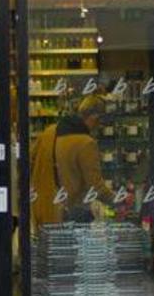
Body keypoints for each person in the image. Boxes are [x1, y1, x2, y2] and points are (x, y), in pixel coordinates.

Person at [31, 95, 114, 228]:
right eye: (100, 121)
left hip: (43, 211)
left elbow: (30, 162)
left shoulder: (49, 132)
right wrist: (118, 200)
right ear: (94, 117)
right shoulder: (86, 143)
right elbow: (96, 186)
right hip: (68, 217)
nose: (99, 126)